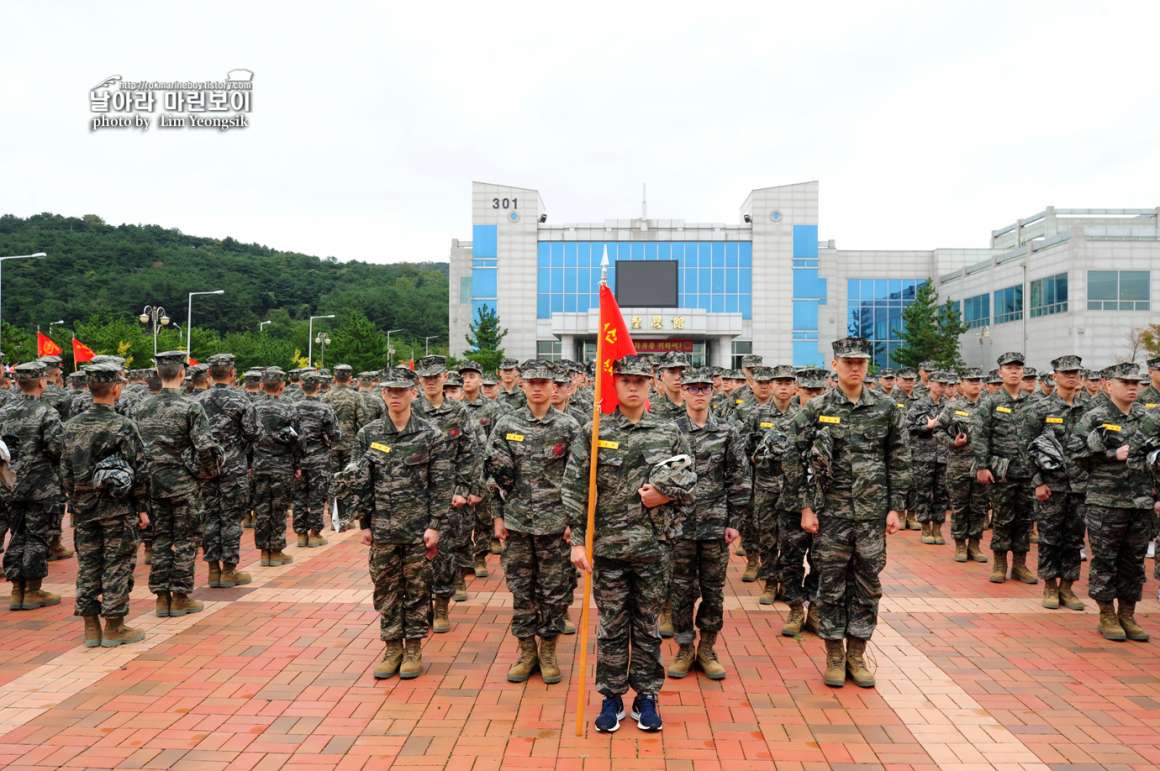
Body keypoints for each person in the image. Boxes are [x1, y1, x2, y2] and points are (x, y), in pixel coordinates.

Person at [563, 355, 695, 733]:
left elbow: (690, 482)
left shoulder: (668, 431)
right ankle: (612, 696)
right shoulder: (595, 430)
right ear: (614, 384)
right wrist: (576, 541)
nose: (633, 386)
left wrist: (664, 495)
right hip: (607, 549)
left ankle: (647, 696)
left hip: (654, 549)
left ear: (650, 383)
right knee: (612, 625)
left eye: (639, 380)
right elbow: (574, 488)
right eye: (625, 380)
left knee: (648, 625)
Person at [788, 338, 908, 689]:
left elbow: (898, 459)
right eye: (848, 362)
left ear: (867, 365)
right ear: (835, 364)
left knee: (868, 585)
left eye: (861, 362)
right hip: (831, 514)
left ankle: (857, 653)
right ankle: (834, 655)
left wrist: (896, 507)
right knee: (831, 584)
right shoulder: (817, 407)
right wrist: (806, 506)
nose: (855, 368)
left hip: (871, 514)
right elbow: (794, 456)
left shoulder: (886, 408)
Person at [344, 367, 449, 679]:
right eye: (389, 391)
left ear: (413, 393)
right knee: (386, 589)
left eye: (401, 391)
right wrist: (363, 522)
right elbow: (359, 480)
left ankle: (414, 647)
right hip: (383, 528)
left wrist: (435, 524)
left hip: (418, 529)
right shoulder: (369, 434)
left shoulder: (430, 434)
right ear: (382, 393)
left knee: (417, 589)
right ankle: (392, 647)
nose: (395, 396)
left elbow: (441, 483)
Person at [485, 360, 581, 685]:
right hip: (517, 524)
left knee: (554, 592)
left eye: (544, 382)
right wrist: (497, 517)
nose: (538, 388)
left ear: (554, 387)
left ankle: (548, 650)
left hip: (556, 525)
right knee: (521, 590)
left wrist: (575, 522)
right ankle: (526, 651)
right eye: (532, 382)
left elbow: (579, 479)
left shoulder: (569, 427)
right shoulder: (505, 425)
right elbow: (492, 475)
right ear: (523, 386)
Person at [667, 367, 749, 680]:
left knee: (714, 591)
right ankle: (685, 648)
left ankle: (708, 647)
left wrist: (735, 521)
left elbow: (738, 477)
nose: (699, 393)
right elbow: (659, 477)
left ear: (712, 392)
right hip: (679, 525)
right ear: (683, 391)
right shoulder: (671, 430)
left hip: (716, 525)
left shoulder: (727, 431)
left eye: (704, 388)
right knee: (680, 590)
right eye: (693, 388)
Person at [60, 362, 149, 647]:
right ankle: (114, 625)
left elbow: (64, 472)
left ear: (89, 388)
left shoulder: (70, 426)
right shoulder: (123, 426)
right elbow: (140, 471)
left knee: (87, 565)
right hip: (117, 508)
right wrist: (142, 507)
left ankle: (90, 627)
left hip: (84, 509)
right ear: (116, 388)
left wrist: (76, 501)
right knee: (117, 564)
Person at [134, 351, 221, 617]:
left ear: (159, 375)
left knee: (161, 538)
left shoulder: (141, 407)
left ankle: (161, 597)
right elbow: (205, 447)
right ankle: (181, 596)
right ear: (182, 374)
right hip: (183, 483)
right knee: (185, 539)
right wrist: (207, 474)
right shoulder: (190, 407)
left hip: (153, 482)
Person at [1076, 362, 1151, 641]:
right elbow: (1075, 454)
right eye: (1126, 382)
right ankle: (1107, 613)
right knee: (1106, 559)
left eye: (1137, 383)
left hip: (1141, 501)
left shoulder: (1148, 417)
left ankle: (1128, 614)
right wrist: (1110, 455)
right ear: (1109, 385)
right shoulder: (1094, 417)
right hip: (1106, 501)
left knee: (1134, 560)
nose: (1133, 388)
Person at [413, 355, 477, 632]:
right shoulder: (411, 409)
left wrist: (464, 489)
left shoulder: (458, 412)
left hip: (448, 493)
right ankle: (421, 605)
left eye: (435, 377)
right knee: (416, 553)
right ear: (420, 381)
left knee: (445, 553)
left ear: (444, 378)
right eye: (425, 378)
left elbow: (469, 451)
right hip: (414, 494)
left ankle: (441, 606)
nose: (430, 382)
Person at [0, 361, 64, 611]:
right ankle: (33, 589)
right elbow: (56, 448)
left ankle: (17, 588)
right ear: (41, 382)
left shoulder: (3, 412)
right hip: (40, 485)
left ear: (17, 382)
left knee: (18, 533)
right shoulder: (47, 412)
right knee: (37, 535)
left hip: (10, 484)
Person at [1026, 355, 1087, 609]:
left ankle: (1068, 587)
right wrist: (1038, 481)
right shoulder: (1041, 408)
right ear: (1054, 376)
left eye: (1075, 372)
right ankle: (1050, 585)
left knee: (1074, 538)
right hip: (1051, 485)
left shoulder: (1089, 408)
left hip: (1080, 485)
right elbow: (1026, 448)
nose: (1071, 376)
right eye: (1066, 373)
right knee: (1050, 536)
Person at [973, 352, 1038, 585]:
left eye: (1018, 368)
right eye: (1009, 367)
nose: (1014, 371)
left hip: (1028, 471)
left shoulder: (1033, 402)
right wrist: (981, 466)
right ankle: (1000, 563)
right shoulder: (991, 402)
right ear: (1000, 372)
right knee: (1002, 517)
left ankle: (1020, 564)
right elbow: (980, 436)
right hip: (1001, 471)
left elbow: (1041, 437)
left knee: (1025, 519)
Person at [197, 353, 257, 588]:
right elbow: (254, 433)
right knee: (231, 518)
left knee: (210, 517)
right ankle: (229, 570)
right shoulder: (242, 400)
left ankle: (213, 569)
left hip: (205, 468)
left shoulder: (197, 401)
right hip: (233, 467)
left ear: (209, 374)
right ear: (233, 374)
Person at [244, 367, 301, 566]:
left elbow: (247, 437)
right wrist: (296, 464)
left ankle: (263, 554)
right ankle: (275, 551)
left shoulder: (252, 407)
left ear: (261, 386)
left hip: (259, 465)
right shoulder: (289, 408)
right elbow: (296, 439)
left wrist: (250, 463)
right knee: (278, 509)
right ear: (282, 386)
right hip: (282, 465)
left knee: (261, 509)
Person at [933, 368, 988, 563]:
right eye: (971, 380)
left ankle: (975, 544)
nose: (975, 384)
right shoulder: (952, 407)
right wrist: (952, 442)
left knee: (979, 507)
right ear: (961, 384)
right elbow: (937, 430)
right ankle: (960, 544)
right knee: (959, 506)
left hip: (981, 465)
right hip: (958, 465)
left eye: (978, 380)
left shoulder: (988, 405)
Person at [293, 371, 339, 547]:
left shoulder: (293, 407)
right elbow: (335, 434)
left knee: (299, 497)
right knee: (317, 496)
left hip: (298, 459)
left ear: (301, 385)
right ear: (319, 386)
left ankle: (300, 535)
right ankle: (315, 533)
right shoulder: (325, 409)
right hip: (319, 458)